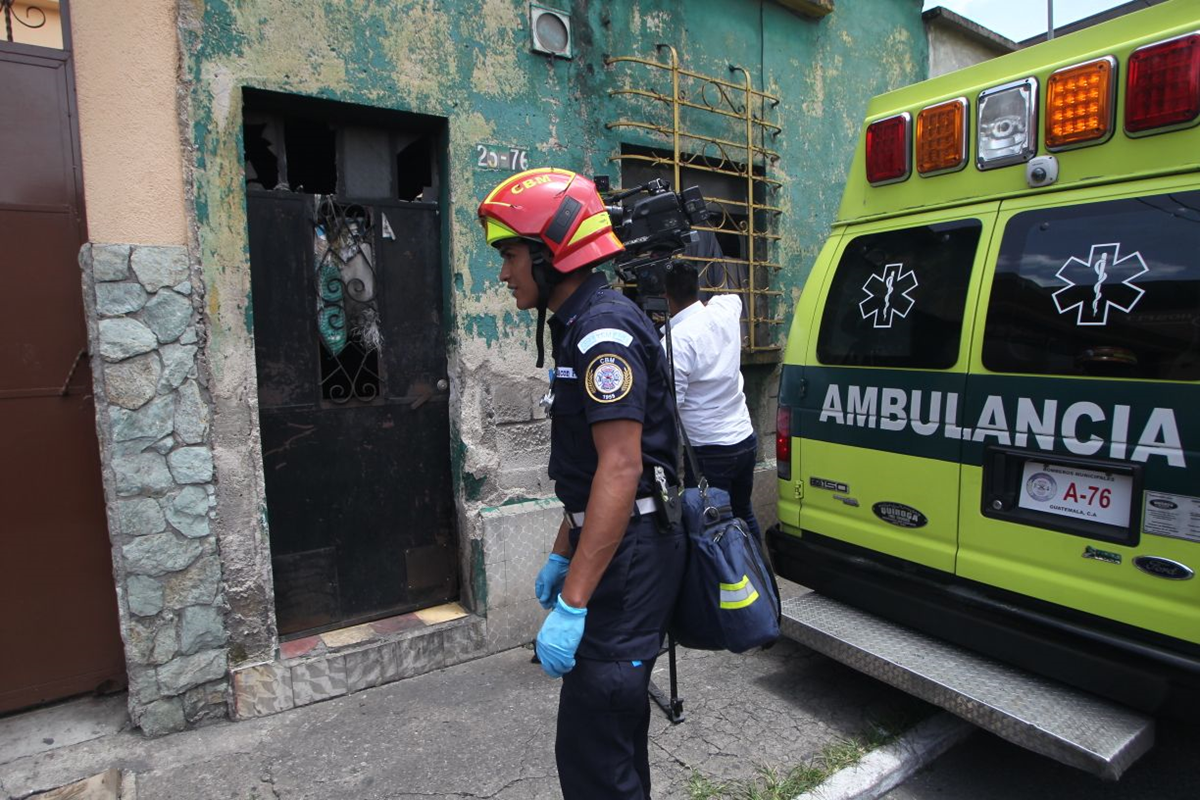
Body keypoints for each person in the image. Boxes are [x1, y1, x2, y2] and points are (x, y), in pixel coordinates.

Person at [477, 167, 685, 800]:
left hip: (630, 563)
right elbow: (591, 475)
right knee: (605, 747)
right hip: (616, 549)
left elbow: (622, 472)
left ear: (551, 251)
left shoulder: (603, 333)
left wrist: (572, 603)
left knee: (598, 751)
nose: (505, 272)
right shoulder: (579, 326)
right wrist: (560, 555)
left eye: (511, 255)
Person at [662, 261, 762, 540]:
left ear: (666, 298)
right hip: (744, 440)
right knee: (743, 512)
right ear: (698, 289)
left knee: (709, 526)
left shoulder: (676, 342)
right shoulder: (725, 311)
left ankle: (720, 581)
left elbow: (672, 406)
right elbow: (732, 297)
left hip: (710, 452)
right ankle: (760, 577)